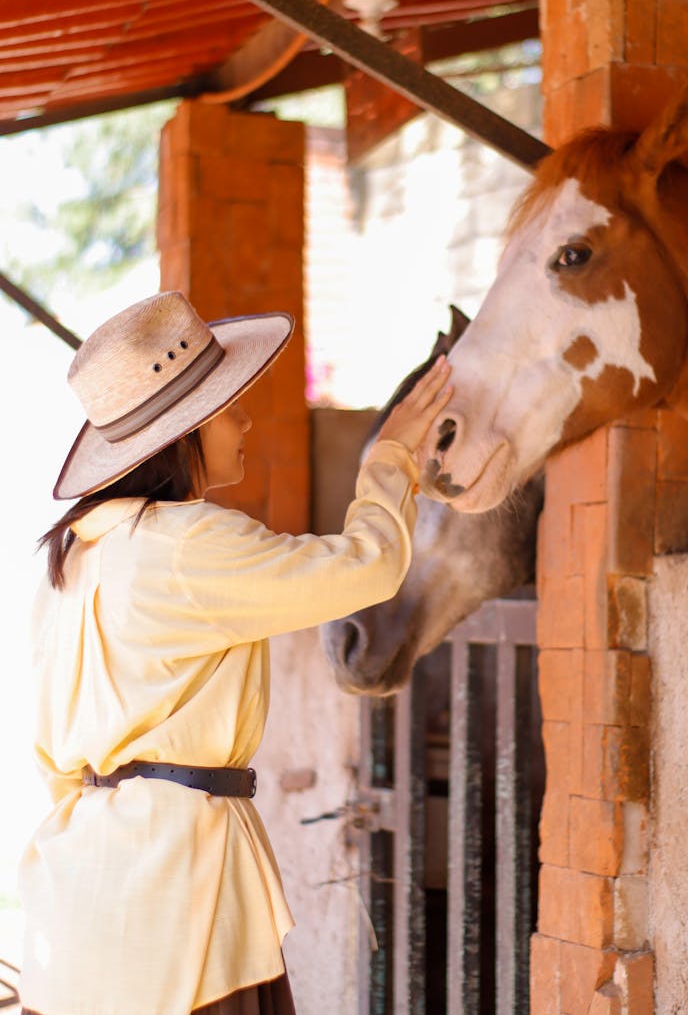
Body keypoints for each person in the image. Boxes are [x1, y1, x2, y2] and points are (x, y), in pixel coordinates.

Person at [19, 290, 452, 1015]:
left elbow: (52, 759)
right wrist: (390, 462)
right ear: (182, 432)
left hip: (76, 903)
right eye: (227, 406)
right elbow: (365, 566)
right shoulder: (188, 545)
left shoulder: (72, 557)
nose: (246, 419)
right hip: (180, 913)